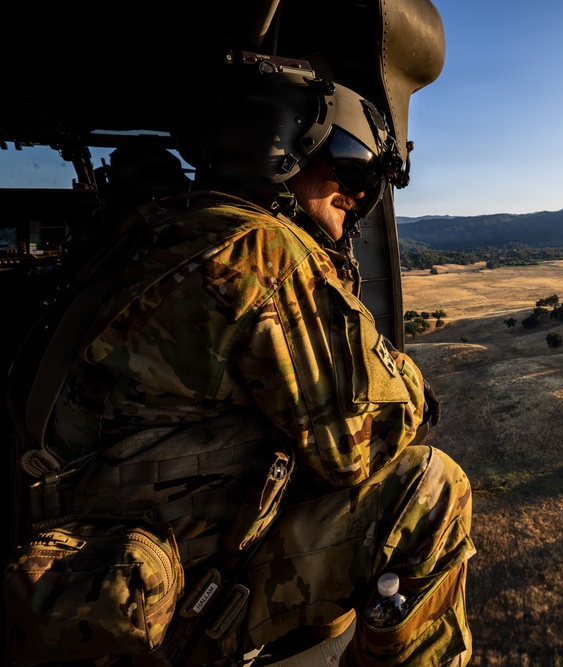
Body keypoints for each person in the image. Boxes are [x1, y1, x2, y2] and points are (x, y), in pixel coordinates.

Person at [5, 55, 473, 667]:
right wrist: (407, 380)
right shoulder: (262, 253)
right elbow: (352, 447)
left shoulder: (156, 229)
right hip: (154, 597)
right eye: (351, 161)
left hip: (75, 559)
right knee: (428, 490)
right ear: (282, 148)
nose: (359, 192)